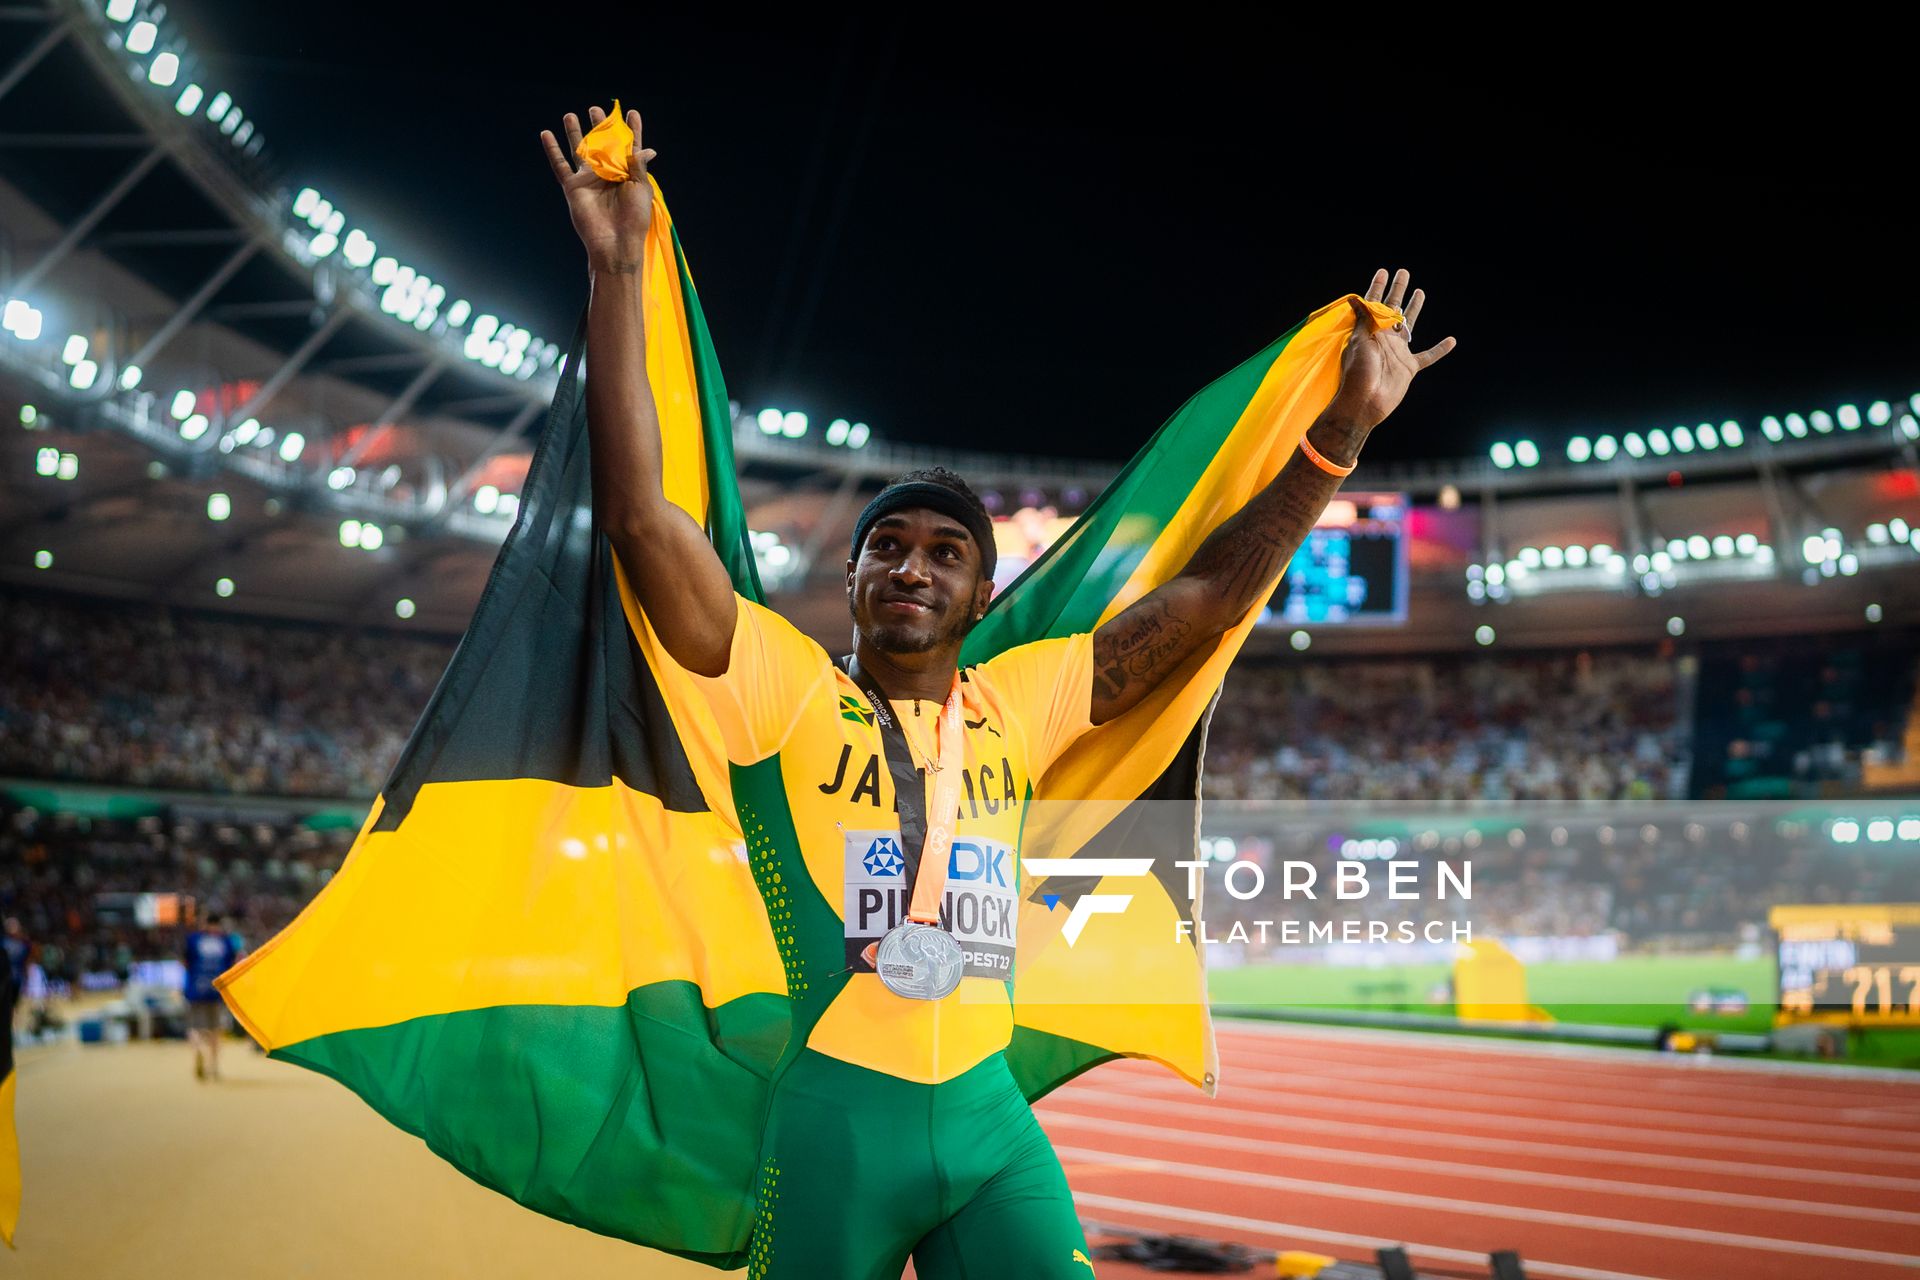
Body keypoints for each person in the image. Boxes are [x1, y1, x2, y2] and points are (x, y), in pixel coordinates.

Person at [541, 105, 1453, 1280]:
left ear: (978, 596)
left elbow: (1211, 596)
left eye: (946, 551)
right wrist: (619, 272)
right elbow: (640, 518)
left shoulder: (1023, 700)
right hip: (835, 1128)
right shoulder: (779, 687)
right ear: (858, 579)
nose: (913, 562)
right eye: (889, 546)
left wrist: (1338, 435)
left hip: (985, 1125)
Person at [182, 913, 239, 1081]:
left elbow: (185, 962)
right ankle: (213, 1066)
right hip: (217, 991)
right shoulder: (226, 941)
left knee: (195, 1027)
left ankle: (198, 1049)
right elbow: (232, 965)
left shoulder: (193, 940)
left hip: (196, 990)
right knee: (215, 1029)